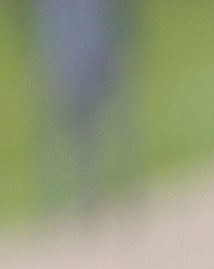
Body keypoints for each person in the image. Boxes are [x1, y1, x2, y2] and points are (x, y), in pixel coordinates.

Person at [21, 0, 136, 212]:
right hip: (64, 42)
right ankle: (75, 193)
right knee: (72, 118)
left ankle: (124, 185)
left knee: (111, 110)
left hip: (95, 37)